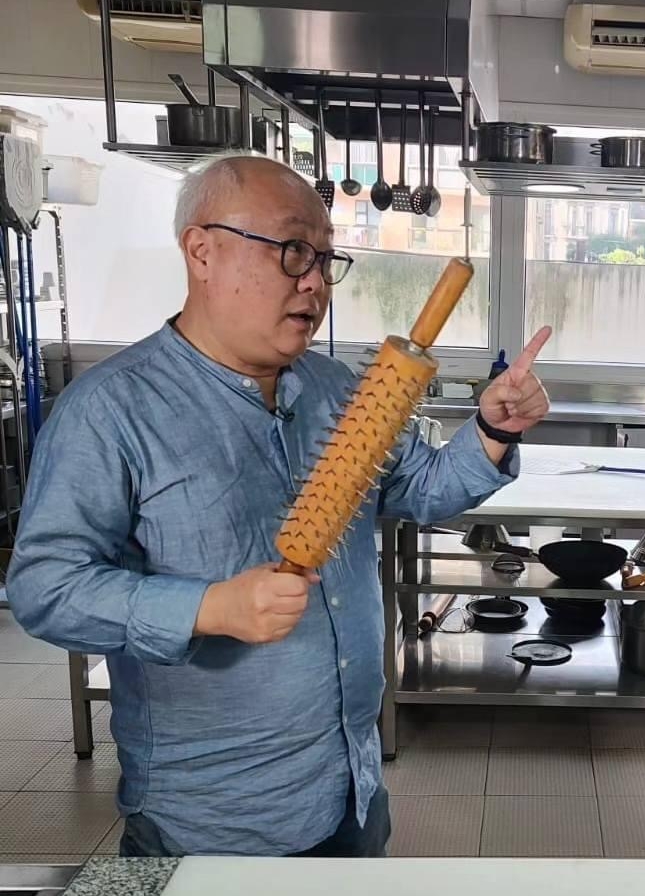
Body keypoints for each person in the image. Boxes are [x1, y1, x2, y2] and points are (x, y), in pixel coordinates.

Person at [6, 155, 551, 858]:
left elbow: (423, 488)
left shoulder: (332, 388)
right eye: (294, 250)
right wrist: (210, 608)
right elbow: (44, 590)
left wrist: (495, 430)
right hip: (210, 821)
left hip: (351, 789)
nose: (315, 282)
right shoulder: (110, 411)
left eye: (326, 259)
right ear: (201, 251)